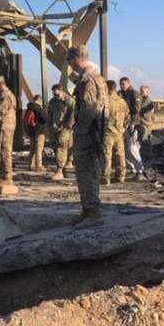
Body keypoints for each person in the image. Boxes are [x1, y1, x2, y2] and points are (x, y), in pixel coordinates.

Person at [68, 45, 108, 221]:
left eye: (69, 60)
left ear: (77, 58)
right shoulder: (97, 78)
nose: (69, 64)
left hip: (88, 133)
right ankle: (89, 210)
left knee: (85, 171)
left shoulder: (87, 80)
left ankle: (92, 211)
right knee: (88, 170)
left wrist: (79, 130)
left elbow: (89, 108)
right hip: (94, 132)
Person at [0, 75, 18, 193]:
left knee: (4, 150)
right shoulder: (2, 95)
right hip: (2, 126)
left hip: (5, 127)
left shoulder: (6, 95)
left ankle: (7, 175)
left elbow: (1, 111)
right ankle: (3, 174)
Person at [102, 80, 129, 185]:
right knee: (120, 154)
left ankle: (105, 177)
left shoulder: (104, 101)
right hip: (119, 132)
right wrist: (122, 128)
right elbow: (127, 116)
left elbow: (98, 115)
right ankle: (121, 176)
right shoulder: (122, 101)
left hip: (107, 132)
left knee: (106, 155)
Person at [119, 77, 145, 180]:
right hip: (124, 124)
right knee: (125, 148)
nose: (121, 86)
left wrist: (130, 122)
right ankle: (132, 168)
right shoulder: (121, 94)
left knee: (132, 147)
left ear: (128, 84)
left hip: (132, 124)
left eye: (123, 84)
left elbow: (136, 110)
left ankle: (140, 170)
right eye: (120, 84)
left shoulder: (134, 94)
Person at [47, 84, 75, 180]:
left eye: (57, 94)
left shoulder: (69, 101)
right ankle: (63, 169)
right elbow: (50, 113)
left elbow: (73, 114)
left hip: (64, 128)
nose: (56, 96)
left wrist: (68, 126)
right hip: (54, 128)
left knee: (61, 146)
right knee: (55, 147)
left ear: (62, 91)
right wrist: (49, 125)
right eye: (54, 94)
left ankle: (59, 170)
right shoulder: (53, 101)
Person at [23, 95, 47, 172]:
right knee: (39, 149)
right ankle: (38, 166)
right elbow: (44, 118)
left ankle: (30, 165)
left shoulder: (29, 108)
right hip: (39, 131)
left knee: (32, 149)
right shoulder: (38, 108)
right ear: (40, 101)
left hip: (31, 131)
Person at [139, 85, 155, 159]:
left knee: (145, 142)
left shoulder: (148, 102)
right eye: (140, 91)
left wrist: (138, 117)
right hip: (142, 124)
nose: (140, 93)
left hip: (146, 124)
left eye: (142, 91)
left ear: (147, 92)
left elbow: (145, 114)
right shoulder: (142, 100)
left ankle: (147, 158)